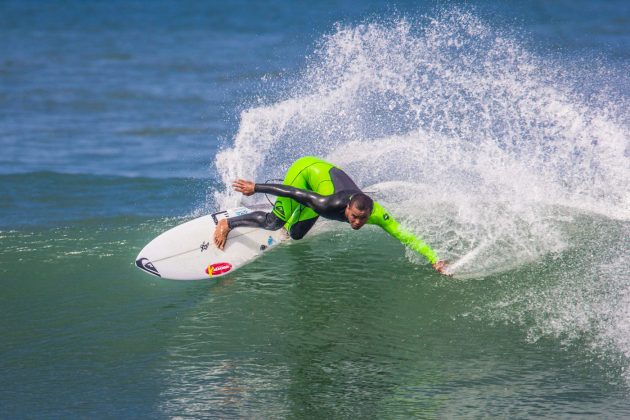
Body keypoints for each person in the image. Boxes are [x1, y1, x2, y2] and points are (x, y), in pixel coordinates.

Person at [214, 156, 448, 274]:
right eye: (354, 217)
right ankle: (229, 222)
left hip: (320, 185)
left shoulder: (375, 214)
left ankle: (287, 213)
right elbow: (293, 191)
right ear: (347, 208)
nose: (356, 223)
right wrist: (256, 187)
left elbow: (404, 235)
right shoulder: (328, 204)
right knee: (274, 222)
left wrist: (434, 258)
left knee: (295, 235)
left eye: (362, 220)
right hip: (305, 171)